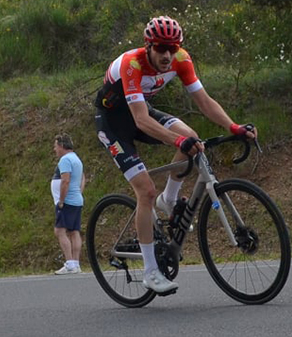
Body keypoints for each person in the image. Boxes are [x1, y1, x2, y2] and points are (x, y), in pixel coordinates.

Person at [94, 16, 256, 294]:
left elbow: (204, 101)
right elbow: (142, 121)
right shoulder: (131, 64)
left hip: (139, 110)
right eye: (160, 48)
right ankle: (150, 271)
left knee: (191, 136)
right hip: (113, 122)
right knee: (145, 192)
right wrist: (179, 140)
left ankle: (169, 199)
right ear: (148, 46)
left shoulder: (181, 59)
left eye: (172, 47)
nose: (167, 55)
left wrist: (233, 126)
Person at [52, 133, 85, 275]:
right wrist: (79, 193)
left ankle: (70, 263)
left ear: (61, 146)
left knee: (59, 231)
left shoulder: (65, 160)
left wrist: (61, 200)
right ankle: (76, 263)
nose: (54, 150)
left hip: (67, 201)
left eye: (55, 146)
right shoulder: (76, 159)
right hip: (76, 200)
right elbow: (83, 178)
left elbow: (65, 180)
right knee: (74, 231)